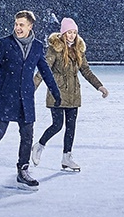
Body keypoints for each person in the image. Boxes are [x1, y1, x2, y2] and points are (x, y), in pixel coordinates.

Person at [0, 10, 63, 190]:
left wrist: (55, 91)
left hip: (25, 97)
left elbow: (44, 70)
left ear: (30, 26)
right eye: (16, 24)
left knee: (27, 135)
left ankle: (23, 170)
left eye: (22, 24)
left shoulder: (37, 46)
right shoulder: (5, 44)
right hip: (6, 96)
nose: (18, 27)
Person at [31, 18, 108, 171]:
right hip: (57, 93)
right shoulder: (55, 49)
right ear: (63, 33)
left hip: (73, 93)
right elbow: (44, 70)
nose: (72, 35)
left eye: (74, 32)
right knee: (57, 125)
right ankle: (39, 146)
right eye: (69, 32)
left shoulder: (78, 49)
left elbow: (86, 70)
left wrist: (99, 86)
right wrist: (32, 88)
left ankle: (67, 158)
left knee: (71, 127)